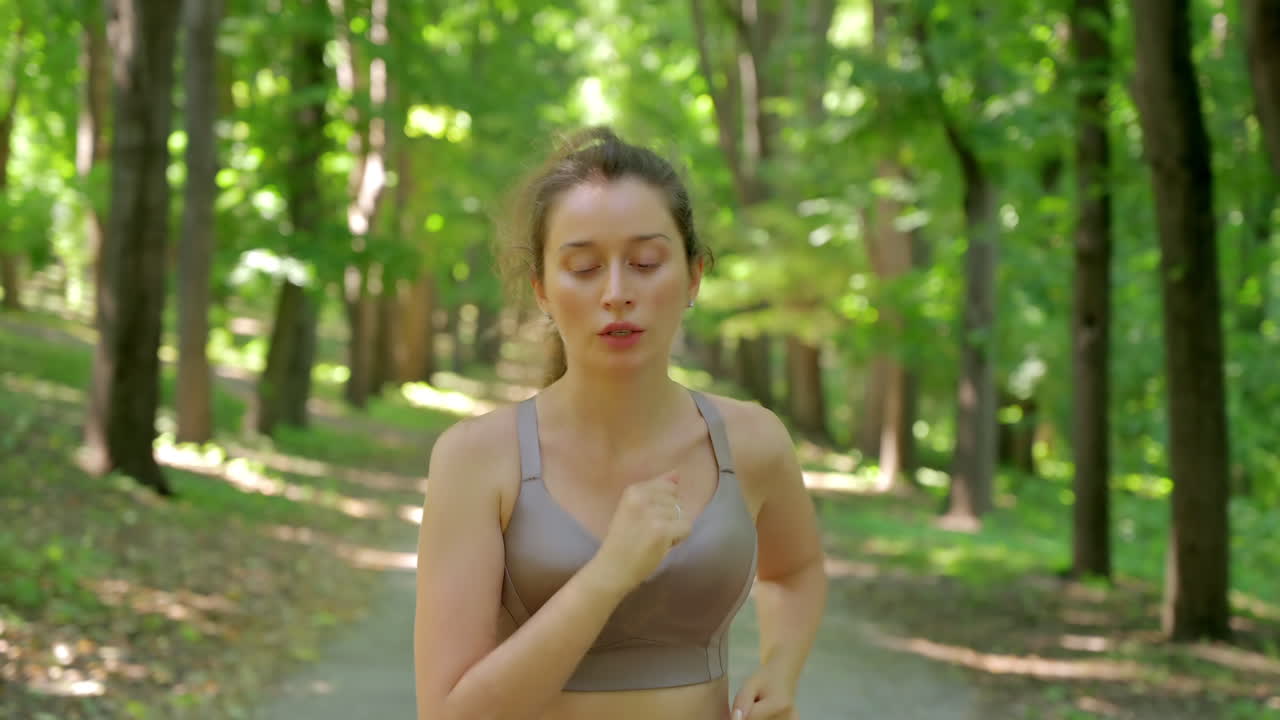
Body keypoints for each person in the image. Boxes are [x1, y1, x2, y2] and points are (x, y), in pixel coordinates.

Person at [413, 127, 827, 720]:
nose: (616, 292)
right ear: (543, 292)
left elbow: (796, 570)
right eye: (583, 268)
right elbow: (448, 714)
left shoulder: (752, 441)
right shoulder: (478, 458)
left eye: (645, 263)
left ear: (693, 276)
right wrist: (608, 574)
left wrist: (781, 667)